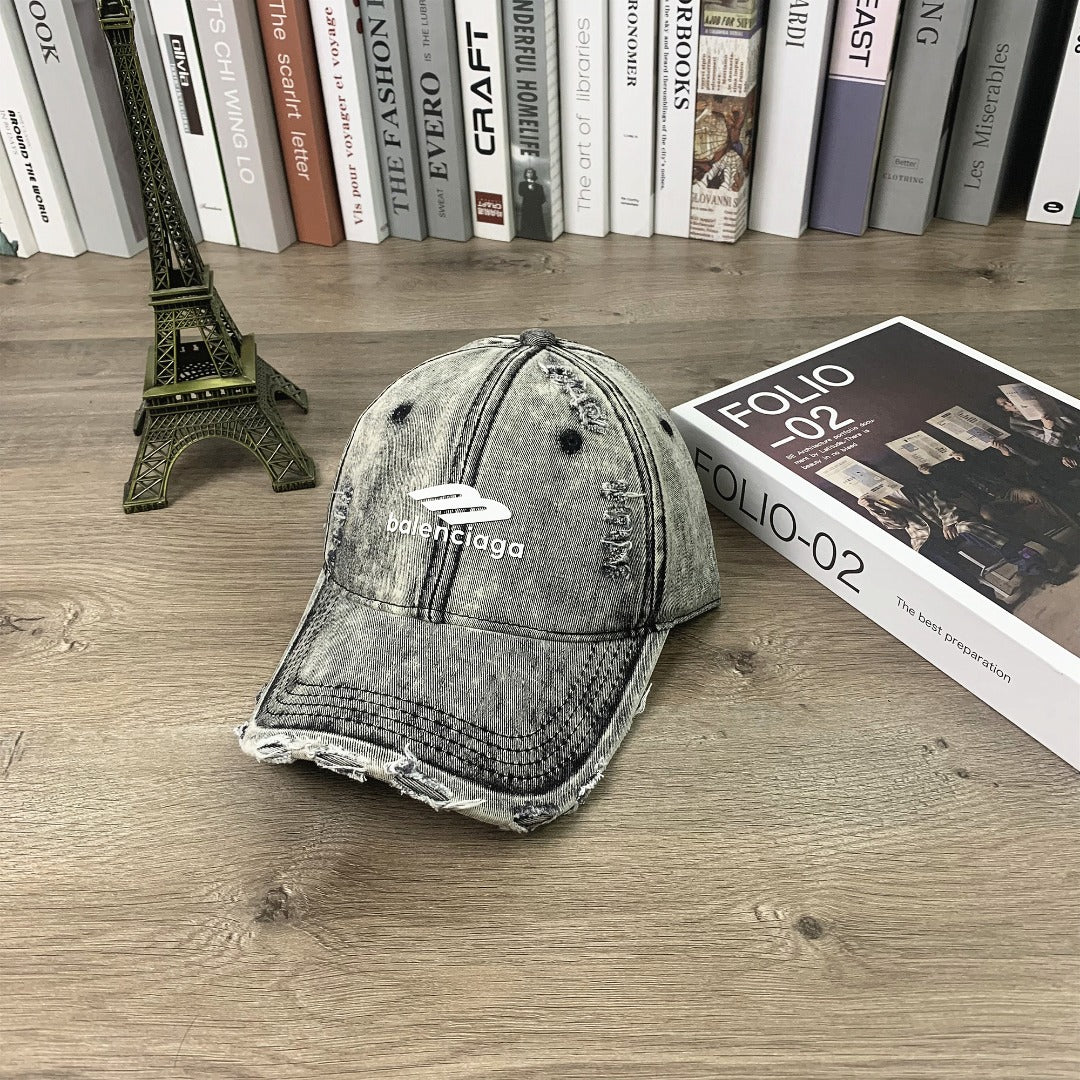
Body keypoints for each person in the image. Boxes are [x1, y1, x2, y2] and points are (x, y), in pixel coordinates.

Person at [995, 393, 1079, 470]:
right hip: (1072, 442)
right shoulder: (1017, 423)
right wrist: (1048, 428)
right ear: (1005, 409)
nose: (1010, 403)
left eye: (1009, 399)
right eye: (1004, 404)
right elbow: (1053, 443)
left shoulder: (1039, 401)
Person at [517, 168, 548, 241]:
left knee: (537, 222)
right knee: (527, 222)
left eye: (531, 172)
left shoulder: (539, 186)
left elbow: (543, 198)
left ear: (534, 174)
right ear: (525, 174)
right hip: (527, 207)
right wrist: (529, 190)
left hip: (537, 208)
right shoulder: (522, 184)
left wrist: (536, 203)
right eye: (528, 172)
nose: (530, 174)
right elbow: (521, 193)